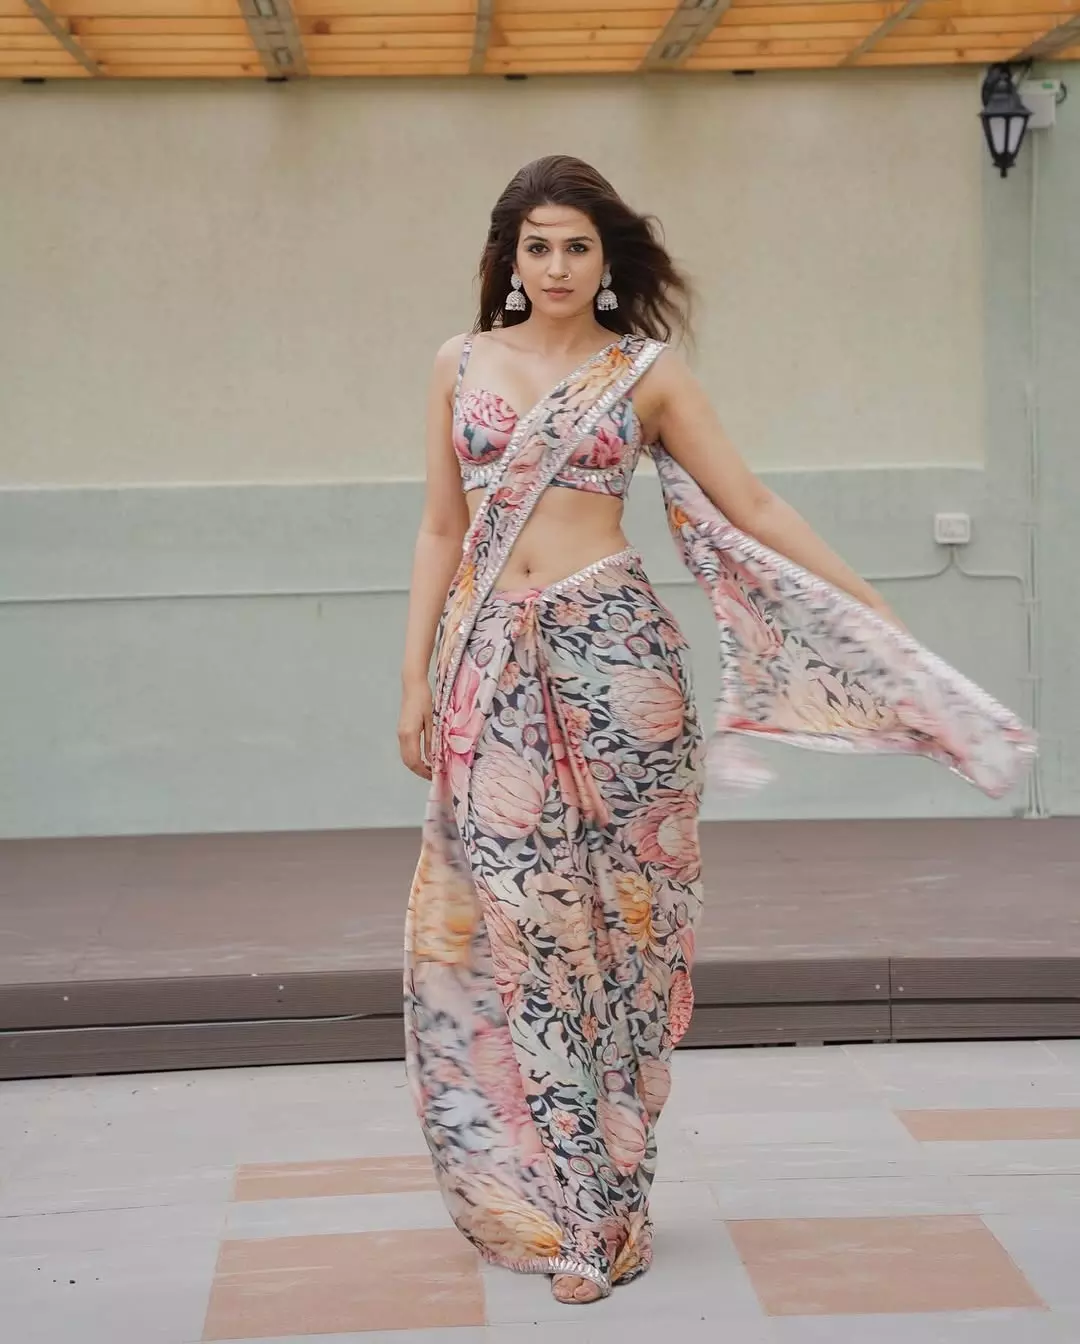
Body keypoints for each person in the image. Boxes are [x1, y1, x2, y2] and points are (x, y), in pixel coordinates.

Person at [397, 154, 1033, 1305]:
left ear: (607, 260)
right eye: (538, 246)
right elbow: (442, 529)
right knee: (532, 940)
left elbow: (753, 504)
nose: (556, 266)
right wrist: (413, 684)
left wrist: (871, 611)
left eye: (577, 246)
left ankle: (615, 1208)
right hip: (489, 672)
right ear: (509, 257)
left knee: (627, 938)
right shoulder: (459, 363)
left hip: (621, 665)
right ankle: (574, 1212)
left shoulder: (644, 373)